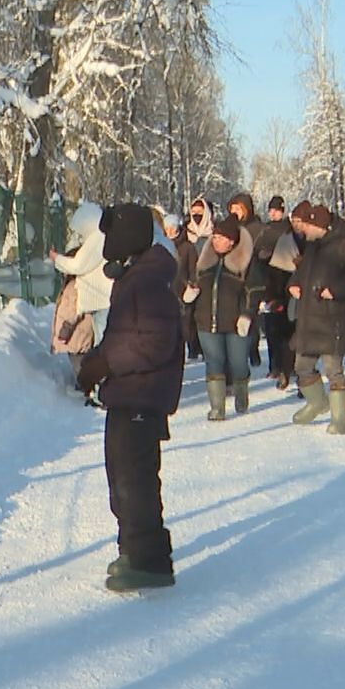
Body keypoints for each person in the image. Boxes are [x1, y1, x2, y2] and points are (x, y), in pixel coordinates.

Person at [75, 202, 185, 592]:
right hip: (128, 393)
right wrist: (98, 359)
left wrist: (105, 364)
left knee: (134, 480)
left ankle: (148, 559)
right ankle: (135, 548)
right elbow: (125, 334)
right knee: (123, 476)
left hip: (142, 394)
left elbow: (154, 342)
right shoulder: (134, 276)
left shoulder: (147, 280)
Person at [287, 202, 345, 434]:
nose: (304, 229)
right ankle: (317, 402)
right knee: (302, 366)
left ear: (320, 226)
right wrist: (293, 285)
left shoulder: (343, 246)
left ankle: (339, 419)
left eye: (308, 225)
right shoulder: (313, 247)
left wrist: (336, 289)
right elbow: (300, 273)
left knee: (334, 370)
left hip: (332, 319)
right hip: (309, 319)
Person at [183, 214, 264, 420]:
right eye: (215, 237)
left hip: (235, 323)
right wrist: (190, 294)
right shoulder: (205, 261)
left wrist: (247, 315)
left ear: (231, 241)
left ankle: (241, 393)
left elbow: (254, 291)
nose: (216, 241)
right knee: (213, 363)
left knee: (238, 363)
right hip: (206, 321)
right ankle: (217, 408)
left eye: (220, 238)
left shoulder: (245, 262)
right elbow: (194, 281)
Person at [252, 195, 301, 388]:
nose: (273, 213)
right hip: (269, 282)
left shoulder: (288, 231)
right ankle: (275, 365)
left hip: (289, 282)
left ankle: (290, 365)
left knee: (289, 326)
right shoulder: (265, 230)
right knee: (272, 327)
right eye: (271, 210)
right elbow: (255, 253)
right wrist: (262, 257)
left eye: (277, 210)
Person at [50, 200, 113, 337]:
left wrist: (57, 259)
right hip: (100, 301)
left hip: (101, 301)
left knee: (103, 341)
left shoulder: (97, 238)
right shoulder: (101, 237)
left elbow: (78, 265)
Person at [227, 193, 267, 367]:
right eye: (232, 208)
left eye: (238, 208)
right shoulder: (229, 227)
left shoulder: (257, 228)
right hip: (232, 275)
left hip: (253, 274)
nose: (235, 212)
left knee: (249, 311)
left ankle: (252, 347)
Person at [166, 213, 201, 360]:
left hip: (183, 290)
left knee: (186, 324)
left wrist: (192, 285)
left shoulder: (187, 247)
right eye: (166, 228)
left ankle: (193, 349)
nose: (169, 231)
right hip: (166, 290)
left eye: (172, 228)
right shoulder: (161, 245)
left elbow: (194, 269)